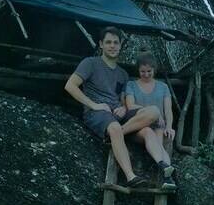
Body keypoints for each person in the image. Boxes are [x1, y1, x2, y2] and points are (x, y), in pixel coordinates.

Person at [64, 26, 160, 188]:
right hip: (98, 114)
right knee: (114, 127)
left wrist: (123, 107)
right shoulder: (90, 63)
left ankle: (163, 166)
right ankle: (131, 177)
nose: (112, 46)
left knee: (153, 112)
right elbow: (70, 86)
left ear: (121, 44)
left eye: (116, 42)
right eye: (108, 42)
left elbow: (122, 98)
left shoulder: (122, 74)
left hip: (119, 114)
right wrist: (94, 105)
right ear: (101, 44)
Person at [124, 52, 176, 189]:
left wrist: (169, 126)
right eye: (142, 71)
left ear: (154, 69)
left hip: (158, 126)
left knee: (159, 140)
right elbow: (130, 106)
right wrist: (153, 111)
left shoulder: (163, 87)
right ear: (138, 70)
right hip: (138, 126)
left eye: (149, 71)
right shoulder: (131, 85)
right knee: (148, 131)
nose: (146, 74)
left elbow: (168, 110)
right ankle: (166, 170)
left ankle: (167, 176)